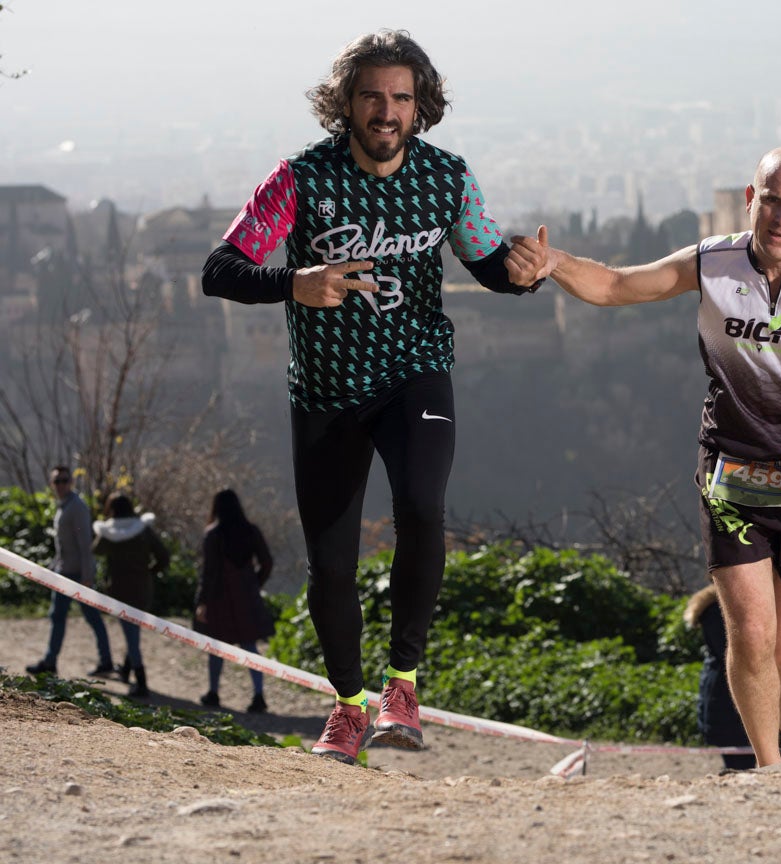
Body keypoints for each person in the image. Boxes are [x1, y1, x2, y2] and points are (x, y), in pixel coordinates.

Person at [506, 146, 781, 766]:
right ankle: (770, 768)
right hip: (730, 469)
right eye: (773, 200)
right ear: (751, 200)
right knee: (751, 635)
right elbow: (621, 285)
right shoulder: (714, 261)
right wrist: (555, 262)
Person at [201, 30, 544, 765]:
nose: (387, 112)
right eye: (372, 97)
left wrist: (522, 272)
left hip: (415, 372)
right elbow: (219, 268)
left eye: (401, 98)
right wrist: (294, 283)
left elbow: (486, 263)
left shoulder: (448, 178)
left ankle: (404, 689)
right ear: (345, 104)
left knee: (423, 505)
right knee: (332, 564)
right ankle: (349, 706)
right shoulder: (299, 179)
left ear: (420, 107)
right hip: (325, 390)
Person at [26, 466, 114, 678]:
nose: (61, 485)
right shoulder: (63, 506)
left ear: (71, 482)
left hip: (78, 575)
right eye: (57, 481)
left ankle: (106, 661)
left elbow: (85, 545)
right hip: (63, 572)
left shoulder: (77, 507)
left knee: (92, 617)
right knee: (57, 616)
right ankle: (50, 661)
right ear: (52, 483)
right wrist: (52, 568)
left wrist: (87, 577)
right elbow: (62, 545)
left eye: (64, 480)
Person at [195, 489, 276, 714]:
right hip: (246, 597)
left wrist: (202, 602)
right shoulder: (251, 531)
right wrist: (254, 583)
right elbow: (267, 562)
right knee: (250, 646)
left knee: (217, 648)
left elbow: (208, 573)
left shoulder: (213, 534)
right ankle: (259, 696)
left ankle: (213, 693)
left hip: (220, 598)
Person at [90, 492, 170, 699]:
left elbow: (96, 550)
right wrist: (151, 571)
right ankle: (126, 670)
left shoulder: (109, 532)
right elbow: (163, 556)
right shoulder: (143, 530)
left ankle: (141, 681)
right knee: (132, 631)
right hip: (143, 588)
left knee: (131, 634)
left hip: (119, 590)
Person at [683, 584, 756, 771]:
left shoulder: (718, 605)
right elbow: (734, 651)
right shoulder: (720, 608)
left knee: (741, 763)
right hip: (727, 697)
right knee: (740, 764)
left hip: (726, 693)